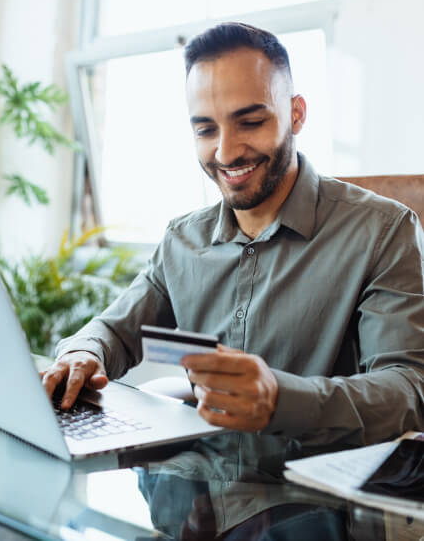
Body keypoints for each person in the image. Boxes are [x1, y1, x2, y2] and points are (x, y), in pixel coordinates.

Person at [42, 22, 424, 446]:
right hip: (193, 497)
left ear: (296, 114)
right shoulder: (182, 240)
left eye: (251, 122)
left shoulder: (384, 231)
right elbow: (114, 331)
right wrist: (83, 352)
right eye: (206, 129)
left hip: (310, 499)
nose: (225, 152)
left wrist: (282, 399)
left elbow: (409, 391)